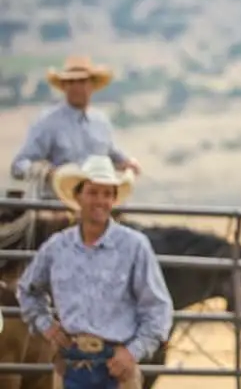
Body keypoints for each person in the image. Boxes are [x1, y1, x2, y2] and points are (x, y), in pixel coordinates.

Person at [17, 154, 172, 389]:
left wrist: (132, 353)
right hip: (71, 361)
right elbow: (27, 289)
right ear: (78, 196)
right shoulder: (57, 247)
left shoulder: (134, 246)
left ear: (114, 199)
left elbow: (158, 309)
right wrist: (46, 325)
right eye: (92, 192)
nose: (100, 200)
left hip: (117, 365)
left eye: (107, 194)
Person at [11, 56, 142, 198]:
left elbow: (115, 156)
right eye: (70, 82)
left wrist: (128, 164)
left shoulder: (101, 123)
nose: (76, 87)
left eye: (82, 81)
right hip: (57, 205)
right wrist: (46, 173)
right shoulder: (47, 122)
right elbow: (19, 166)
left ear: (92, 85)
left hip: (97, 205)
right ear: (63, 86)